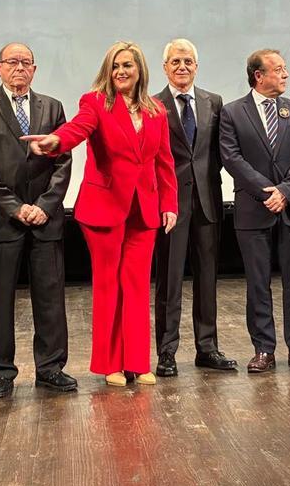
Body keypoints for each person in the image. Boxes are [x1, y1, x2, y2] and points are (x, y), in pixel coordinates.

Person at [24, 41, 177, 387]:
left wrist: (169, 204)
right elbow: (78, 129)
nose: (121, 72)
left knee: (137, 286)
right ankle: (111, 364)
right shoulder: (95, 102)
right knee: (109, 286)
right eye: (115, 66)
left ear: (140, 70)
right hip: (104, 209)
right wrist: (55, 142)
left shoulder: (157, 111)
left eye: (127, 66)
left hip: (144, 211)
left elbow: (164, 163)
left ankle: (137, 361)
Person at [0, 42, 77, 399]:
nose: (20, 68)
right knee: (0, 300)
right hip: (4, 220)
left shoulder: (53, 106)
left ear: (35, 68)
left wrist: (44, 205)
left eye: (26, 62)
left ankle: (50, 369)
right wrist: (16, 208)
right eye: (13, 62)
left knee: (50, 297)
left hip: (46, 219)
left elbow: (63, 161)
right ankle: (1, 372)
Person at [218, 49, 290, 372]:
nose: (286, 75)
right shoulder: (233, 112)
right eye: (278, 69)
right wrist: (268, 192)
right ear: (258, 76)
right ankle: (264, 348)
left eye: (285, 69)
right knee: (258, 281)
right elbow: (232, 159)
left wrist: (285, 192)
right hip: (254, 208)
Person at [152, 39, 236, 376]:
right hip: (169, 206)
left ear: (196, 66)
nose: (182, 67)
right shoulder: (153, 104)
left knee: (207, 279)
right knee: (169, 281)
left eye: (188, 61)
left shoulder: (213, 102)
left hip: (207, 202)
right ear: (165, 68)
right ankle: (167, 351)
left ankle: (207, 347)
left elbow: (219, 151)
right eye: (175, 61)